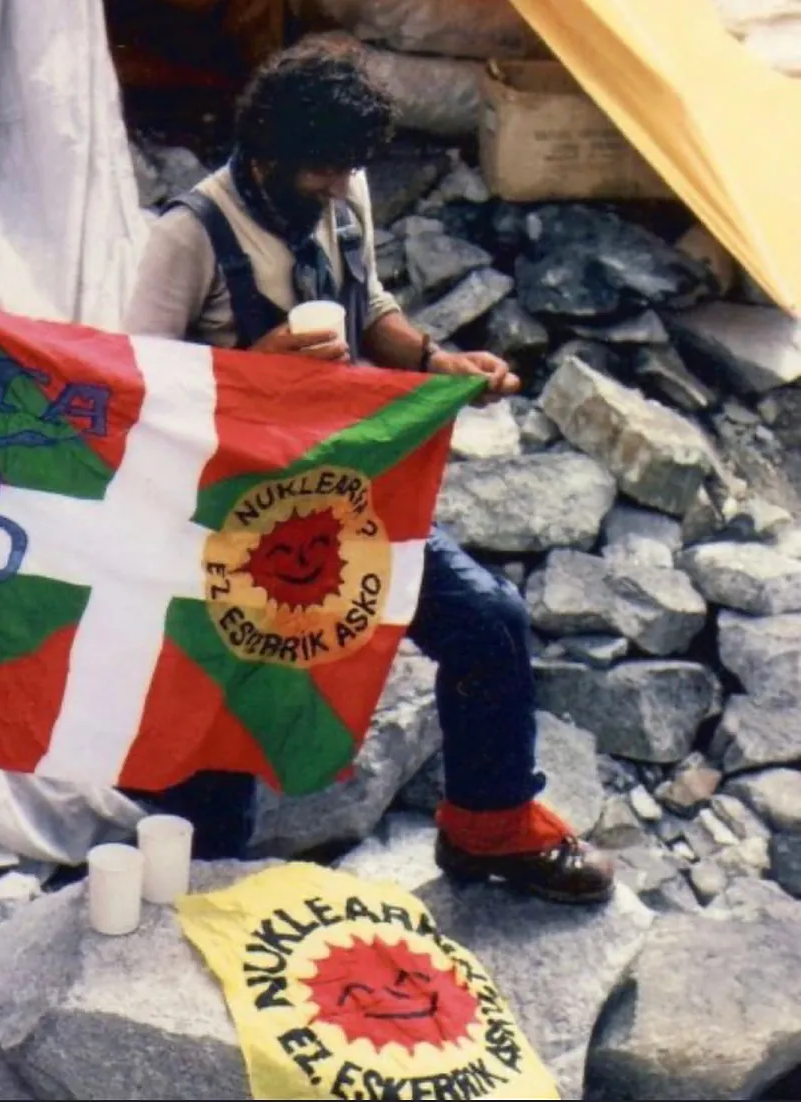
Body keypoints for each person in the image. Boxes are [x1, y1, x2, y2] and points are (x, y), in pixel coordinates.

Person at [123, 41, 615, 905]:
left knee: (487, 622)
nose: (333, 189)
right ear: (263, 150)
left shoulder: (341, 189)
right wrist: (259, 362)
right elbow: (143, 394)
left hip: (344, 489)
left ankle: (489, 825)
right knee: (235, 722)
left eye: (344, 173)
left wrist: (433, 359)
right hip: (235, 518)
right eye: (316, 173)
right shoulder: (186, 236)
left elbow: (371, 303)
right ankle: (197, 897)